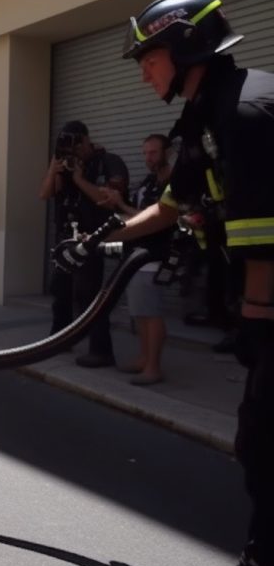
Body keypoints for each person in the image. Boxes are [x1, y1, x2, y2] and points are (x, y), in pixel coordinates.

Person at [59, 0, 274, 566]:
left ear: (183, 49)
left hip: (269, 309)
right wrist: (101, 238)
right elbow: (171, 207)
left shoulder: (248, 113)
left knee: (263, 439)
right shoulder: (208, 116)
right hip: (259, 308)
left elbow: (265, 238)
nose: (141, 69)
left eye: (147, 57)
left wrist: (257, 326)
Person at [39, 121, 129, 367]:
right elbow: (45, 194)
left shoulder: (108, 162)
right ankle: (60, 339)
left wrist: (78, 179)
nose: (74, 151)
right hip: (67, 239)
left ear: (86, 141)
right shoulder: (66, 165)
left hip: (92, 239)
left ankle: (101, 350)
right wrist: (53, 169)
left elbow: (110, 202)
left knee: (90, 296)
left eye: (76, 144)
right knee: (60, 291)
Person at [101, 134, 176, 385]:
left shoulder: (173, 184)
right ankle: (144, 358)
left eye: (153, 153)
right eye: (145, 153)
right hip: (135, 257)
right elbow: (135, 214)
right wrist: (117, 203)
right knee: (140, 313)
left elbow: (157, 218)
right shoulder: (148, 182)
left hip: (155, 257)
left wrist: (123, 204)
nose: (148, 158)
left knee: (151, 313)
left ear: (167, 152)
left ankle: (153, 367)